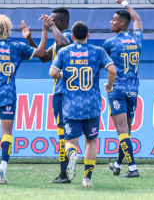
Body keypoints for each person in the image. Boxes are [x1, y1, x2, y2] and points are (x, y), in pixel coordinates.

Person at [0, 14, 53, 184]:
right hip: (7, 95)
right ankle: (4, 166)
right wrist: (43, 31)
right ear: (8, 29)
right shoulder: (16, 47)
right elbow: (42, 53)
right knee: (7, 133)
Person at [49, 21, 116, 187]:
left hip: (71, 106)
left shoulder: (64, 52)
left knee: (70, 142)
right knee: (91, 142)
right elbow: (113, 70)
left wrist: (67, 75)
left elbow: (52, 72)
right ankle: (87, 179)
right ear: (88, 36)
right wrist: (110, 85)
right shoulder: (98, 51)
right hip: (92, 106)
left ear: (72, 37)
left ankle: (72, 153)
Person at [21, 7, 73, 184]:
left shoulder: (71, 36)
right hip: (63, 92)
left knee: (62, 134)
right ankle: (66, 168)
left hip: (64, 92)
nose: (48, 22)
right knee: (65, 134)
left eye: (52, 20)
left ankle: (64, 173)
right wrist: (29, 39)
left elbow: (65, 44)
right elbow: (44, 57)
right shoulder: (58, 39)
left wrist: (50, 28)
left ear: (61, 22)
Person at [102, 0, 143, 177]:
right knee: (127, 130)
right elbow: (138, 19)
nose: (111, 22)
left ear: (122, 23)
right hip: (133, 91)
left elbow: (101, 64)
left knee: (121, 131)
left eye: (114, 19)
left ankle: (132, 168)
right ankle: (118, 164)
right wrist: (124, 2)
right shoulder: (137, 39)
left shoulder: (110, 43)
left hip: (117, 90)